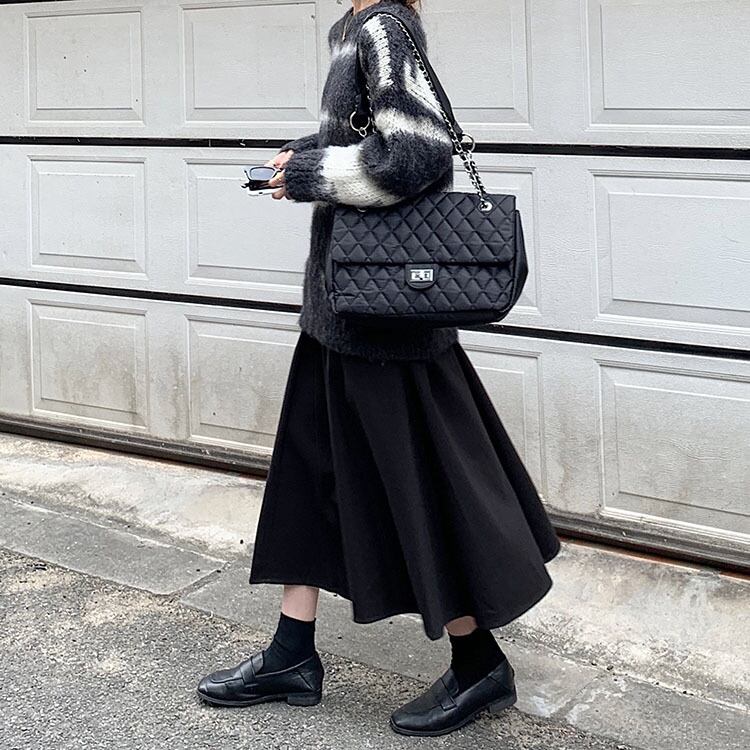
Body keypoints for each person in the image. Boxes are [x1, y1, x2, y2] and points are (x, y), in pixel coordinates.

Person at [197, 0, 560, 737]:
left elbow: (415, 157)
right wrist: (301, 157)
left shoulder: (384, 30)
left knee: (420, 490)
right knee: (309, 477)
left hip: (383, 324)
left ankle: (478, 663)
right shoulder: (355, 29)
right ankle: (291, 653)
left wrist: (310, 174)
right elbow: (363, 142)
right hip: (340, 315)